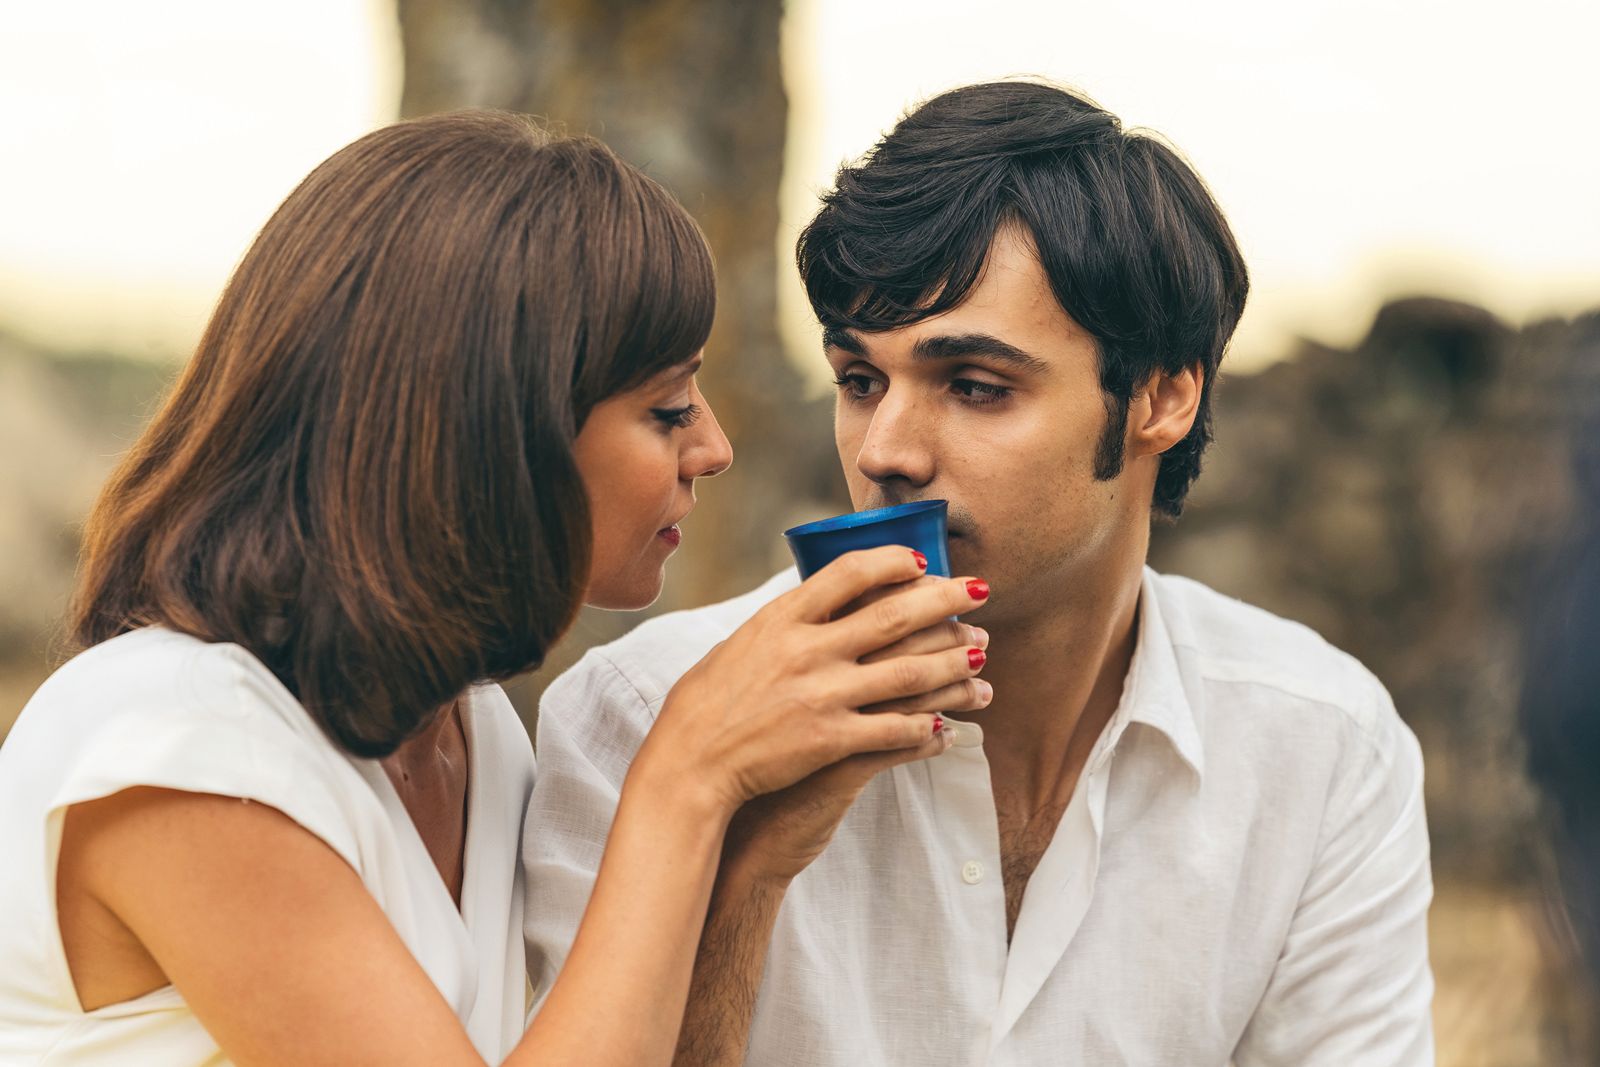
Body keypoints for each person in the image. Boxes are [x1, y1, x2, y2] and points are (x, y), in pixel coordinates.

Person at [0, 110, 994, 1066]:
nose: (714, 448)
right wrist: (687, 772)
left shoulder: (469, 731)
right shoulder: (184, 751)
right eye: (667, 408)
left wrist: (754, 857)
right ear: (498, 432)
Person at [524, 81, 1435, 1065]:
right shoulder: (637, 717)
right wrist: (743, 877)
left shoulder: (1320, 746)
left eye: (973, 386)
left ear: (1160, 398)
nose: (885, 450)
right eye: (859, 380)